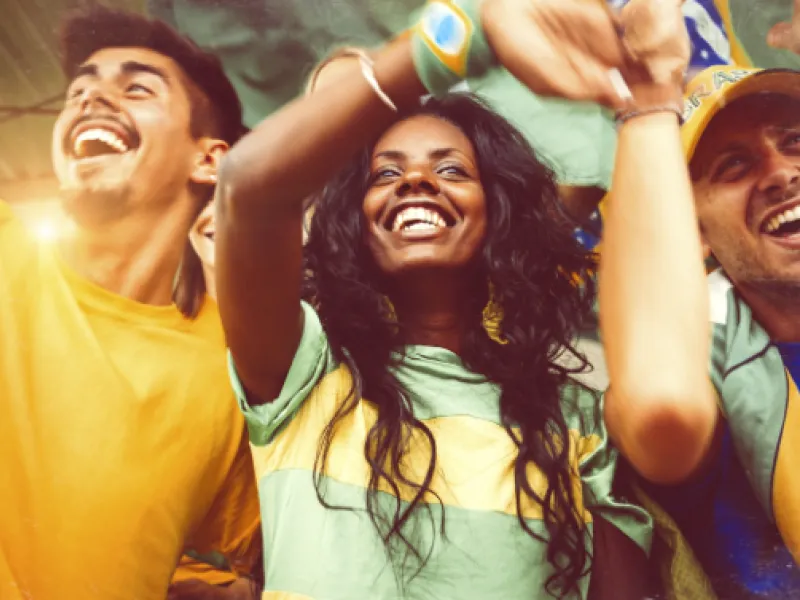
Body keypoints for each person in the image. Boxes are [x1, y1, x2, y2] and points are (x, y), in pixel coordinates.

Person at [213, 1, 672, 598]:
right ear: (351, 220)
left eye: (452, 170)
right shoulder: (304, 371)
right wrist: (464, 36)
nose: (416, 182)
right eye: (384, 174)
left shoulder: (574, 420)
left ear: (499, 216)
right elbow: (247, 188)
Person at [0, 5, 261, 599]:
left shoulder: (230, 369)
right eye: (78, 91)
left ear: (210, 159)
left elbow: (255, 562)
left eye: (136, 87)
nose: (88, 100)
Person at [601, 0, 800, 597]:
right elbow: (660, 406)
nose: (781, 172)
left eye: (794, 140)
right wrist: (648, 97)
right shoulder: (703, 385)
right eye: (733, 165)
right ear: (695, 236)